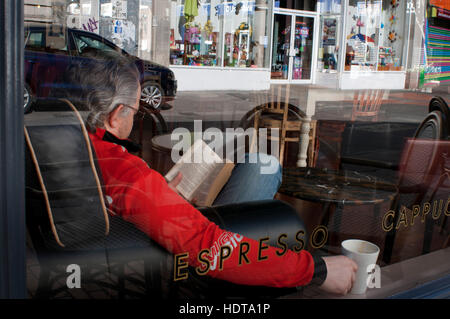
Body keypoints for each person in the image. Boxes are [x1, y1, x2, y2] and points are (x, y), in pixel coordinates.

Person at [65, 51, 357, 296]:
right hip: (196, 259)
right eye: (136, 110)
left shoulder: (65, 145)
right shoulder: (126, 174)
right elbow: (210, 247)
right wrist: (318, 270)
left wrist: (159, 196)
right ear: (116, 116)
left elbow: (124, 201)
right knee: (263, 168)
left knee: (259, 164)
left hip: (142, 232)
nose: (136, 116)